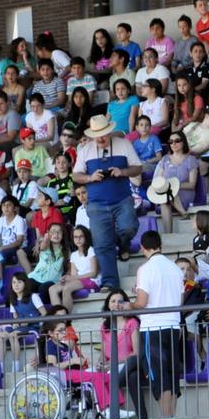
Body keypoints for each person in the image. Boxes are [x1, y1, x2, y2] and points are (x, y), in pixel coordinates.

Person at [72, 114, 140, 288]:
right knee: (102, 245)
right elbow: (76, 175)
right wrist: (90, 177)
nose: (100, 138)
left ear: (109, 131)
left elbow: (138, 167)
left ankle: (122, 243)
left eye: (103, 133)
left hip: (122, 199)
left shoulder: (124, 144)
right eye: (97, 135)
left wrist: (122, 172)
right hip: (96, 204)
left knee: (129, 227)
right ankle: (110, 282)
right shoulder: (85, 150)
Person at [128, 230, 185, 419]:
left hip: (153, 327)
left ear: (143, 248)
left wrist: (130, 305)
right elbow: (180, 299)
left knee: (158, 376)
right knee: (170, 373)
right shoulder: (176, 269)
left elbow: (142, 302)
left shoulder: (145, 269)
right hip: (173, 326)